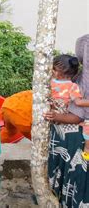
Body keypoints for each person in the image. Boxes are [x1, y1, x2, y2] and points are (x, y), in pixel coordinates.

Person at [45, 34, 89, 206]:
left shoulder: (82, 83)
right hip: (67, 131)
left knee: (74, 173)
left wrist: (57, 116)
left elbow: (78, 114)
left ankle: (68, 199)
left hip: (72, 135)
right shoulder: (74, 80)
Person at [49, 54, 89, 160]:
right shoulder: (73, 86)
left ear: (58, 71)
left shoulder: (49, 83)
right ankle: (87, 150)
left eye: (53, 68)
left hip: (51, 114)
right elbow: (79, 102)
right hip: (63, 115)